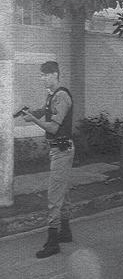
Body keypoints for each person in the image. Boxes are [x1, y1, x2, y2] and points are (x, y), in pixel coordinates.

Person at [22, 61, 74, 259]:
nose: (41, 78)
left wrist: (34, 121)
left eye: (45, 75)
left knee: (54, 196)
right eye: (41, 75)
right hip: (59, 150)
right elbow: (46, 111)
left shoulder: (61, 95)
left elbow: (53, 127)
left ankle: (53, 242)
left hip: (62, 150)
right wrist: (32, 113)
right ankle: (66, 232)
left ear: (55, 74)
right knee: (64, 192)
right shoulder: (52, 95)